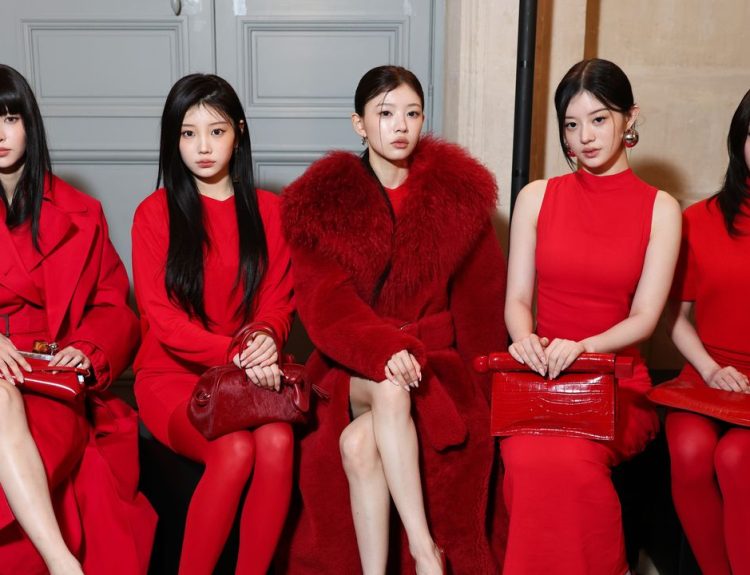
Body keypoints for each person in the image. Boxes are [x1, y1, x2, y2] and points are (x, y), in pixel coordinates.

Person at [279, 65, 507, 575]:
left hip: (437, 365)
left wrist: (487, 391)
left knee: (359, 446)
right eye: (385, 114)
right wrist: (385, 350)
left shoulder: (460, 196)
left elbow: (482, 302)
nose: (400, 125)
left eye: (412, 113)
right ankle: (427, 555)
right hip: (352, 368)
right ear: (359, 123)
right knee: (388, 386)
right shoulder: (320, 203)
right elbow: (325, 303)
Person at [503, 58, 681, 574]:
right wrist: (524, 339)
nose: (585, 137)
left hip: (616, 381)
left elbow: (645, 316)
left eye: (599, 119)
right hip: (541, 377)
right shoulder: (536, 197)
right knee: (525, 457)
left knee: (570, 460)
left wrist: (584, 347)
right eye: (571, 124)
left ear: (630, 118)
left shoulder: (661, 208)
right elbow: (517, 299)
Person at [132, 73, 294, 575]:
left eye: (216, 131)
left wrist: (265, 338)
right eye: (188, 133)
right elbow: (162, 320)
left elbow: (278, 302)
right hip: (172, 377)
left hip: (248, 373)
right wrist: (237, 353)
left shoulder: (271, 211)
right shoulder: (154, 214)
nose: (202, 146)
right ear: (173, 139)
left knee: (278, 441)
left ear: (238, 133)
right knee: (235, 450)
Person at [0, 64, 156, 574]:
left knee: (49, 443)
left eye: (10, 119)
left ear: (30, 124)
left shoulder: (80, 212)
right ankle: (63, 563)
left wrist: (87, 349)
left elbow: (113, 306)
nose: (0, 134)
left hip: (48, 374)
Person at [665, 88, 750, 575]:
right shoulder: (697, 221)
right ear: (740, 139)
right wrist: (712, 369)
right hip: (705, 373)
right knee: (690, 451)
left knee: (738, 458)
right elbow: (673, 316)